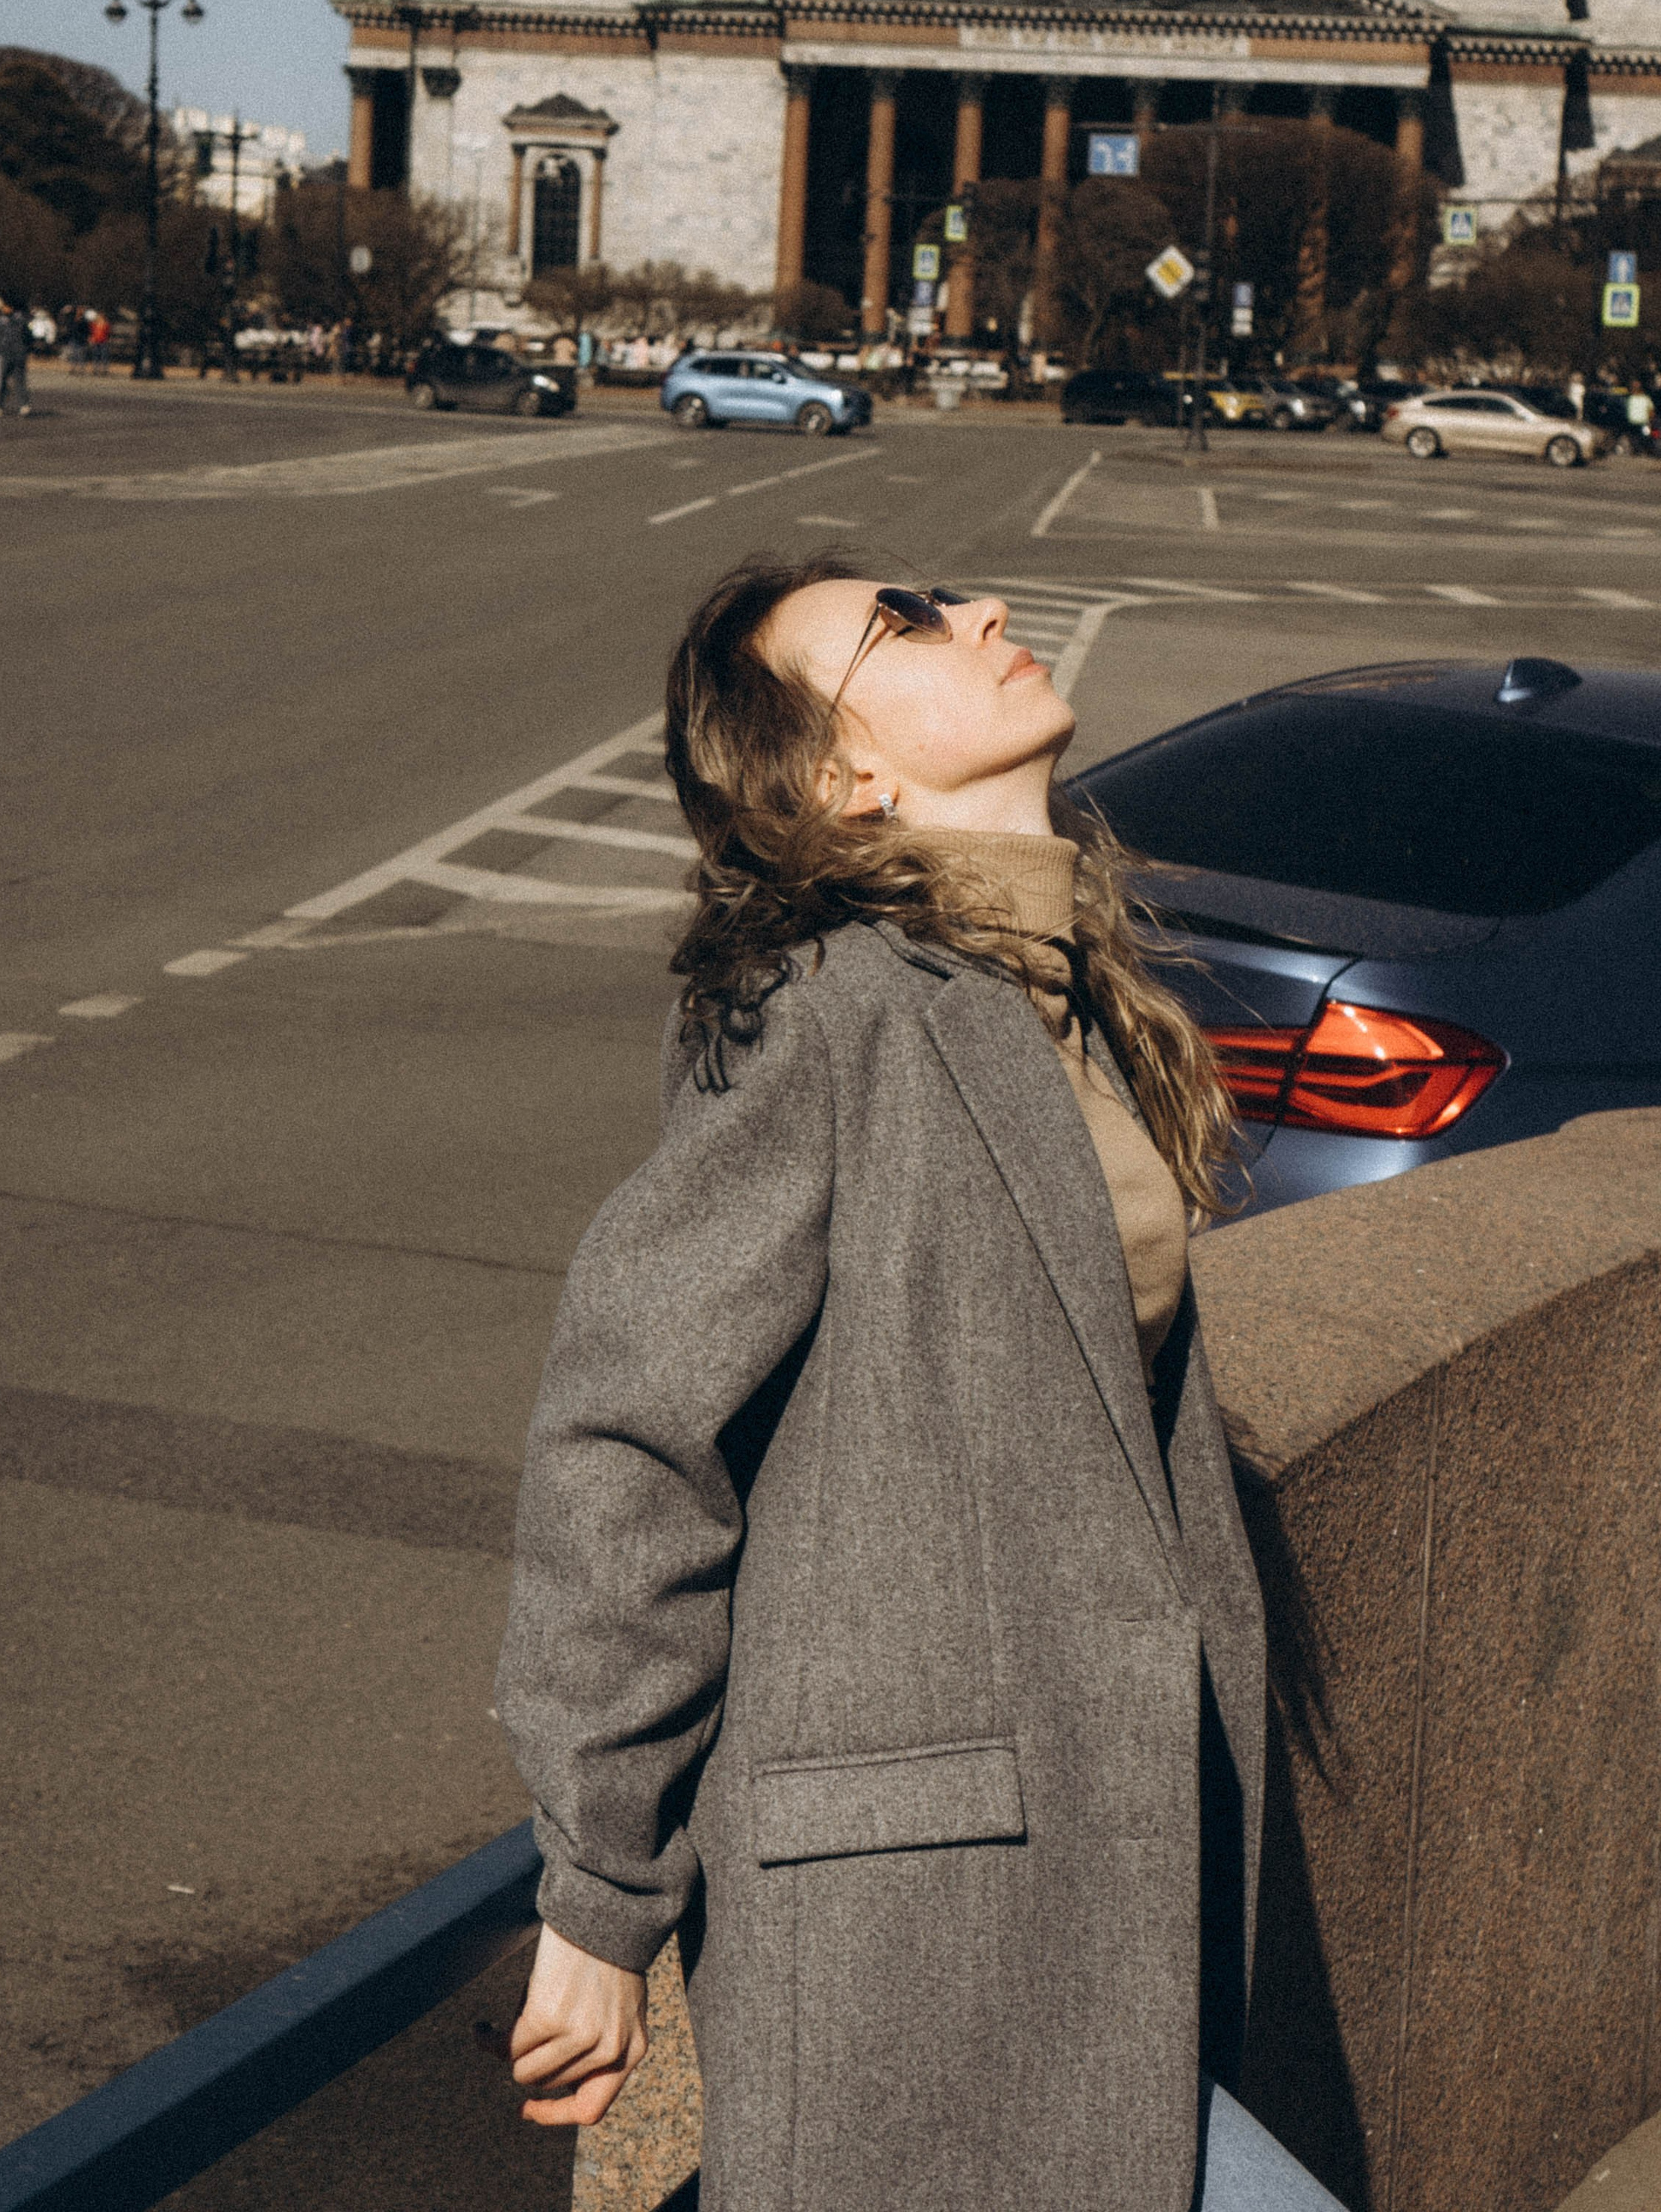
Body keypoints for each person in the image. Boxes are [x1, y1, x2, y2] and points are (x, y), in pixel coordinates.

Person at [494, 559, 1332, 2211]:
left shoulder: (1050, 993)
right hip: (906, 1910)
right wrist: (599, 1902)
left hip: (1084, 1865)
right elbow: (627, 1439)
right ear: (838, 779)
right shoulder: (821, 1010)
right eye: (907, 619)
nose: (980, 616)